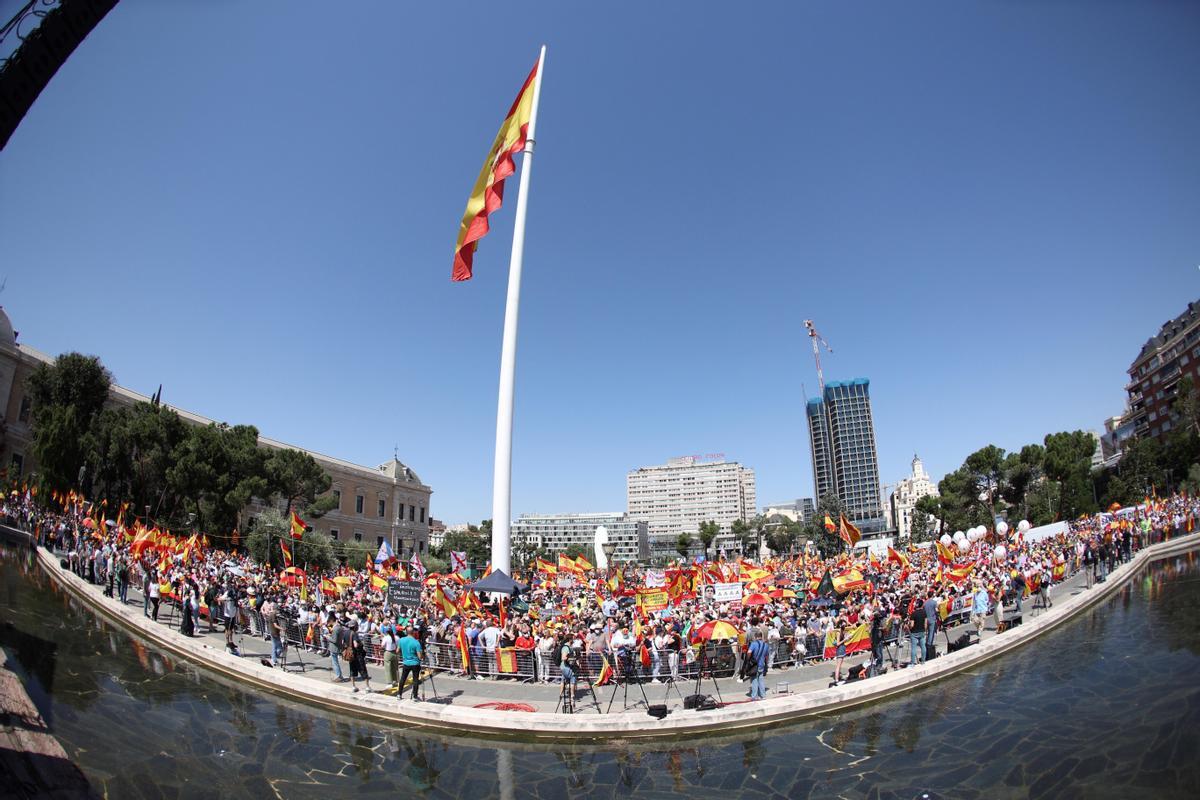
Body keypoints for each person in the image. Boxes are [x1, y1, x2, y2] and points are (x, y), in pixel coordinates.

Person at [397, 624, 423, 701]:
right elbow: (419, 656)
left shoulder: (401, 640)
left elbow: (397, 651)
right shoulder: (416, 642)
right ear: (413, 632)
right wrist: (422, 655)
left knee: (403, 679)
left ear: (406, 632)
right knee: (415, 680)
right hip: (415, 663)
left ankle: (399, 694)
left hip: (406, 663)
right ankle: (415, 696)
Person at [746, 629, 768, 700]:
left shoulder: (753, 644)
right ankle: (763, 695)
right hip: (762, 664)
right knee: (761, 680)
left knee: (754, 680)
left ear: (755, 637)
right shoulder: (766, 644)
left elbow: (749, 652)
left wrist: (749, 659)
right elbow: (766, 656)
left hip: (754, 665)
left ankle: (754, 696)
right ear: (761, 636)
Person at [559, 632, 578, 708]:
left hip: (565, 667)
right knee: (572, 678)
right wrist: (571, 658)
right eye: (573, 638)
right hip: (566, 667)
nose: (574, 639)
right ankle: (572, 697)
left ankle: (560, 695)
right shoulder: (566, 647)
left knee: (563, 680)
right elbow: (563, 658)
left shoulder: (569, 647)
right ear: (570, 639)